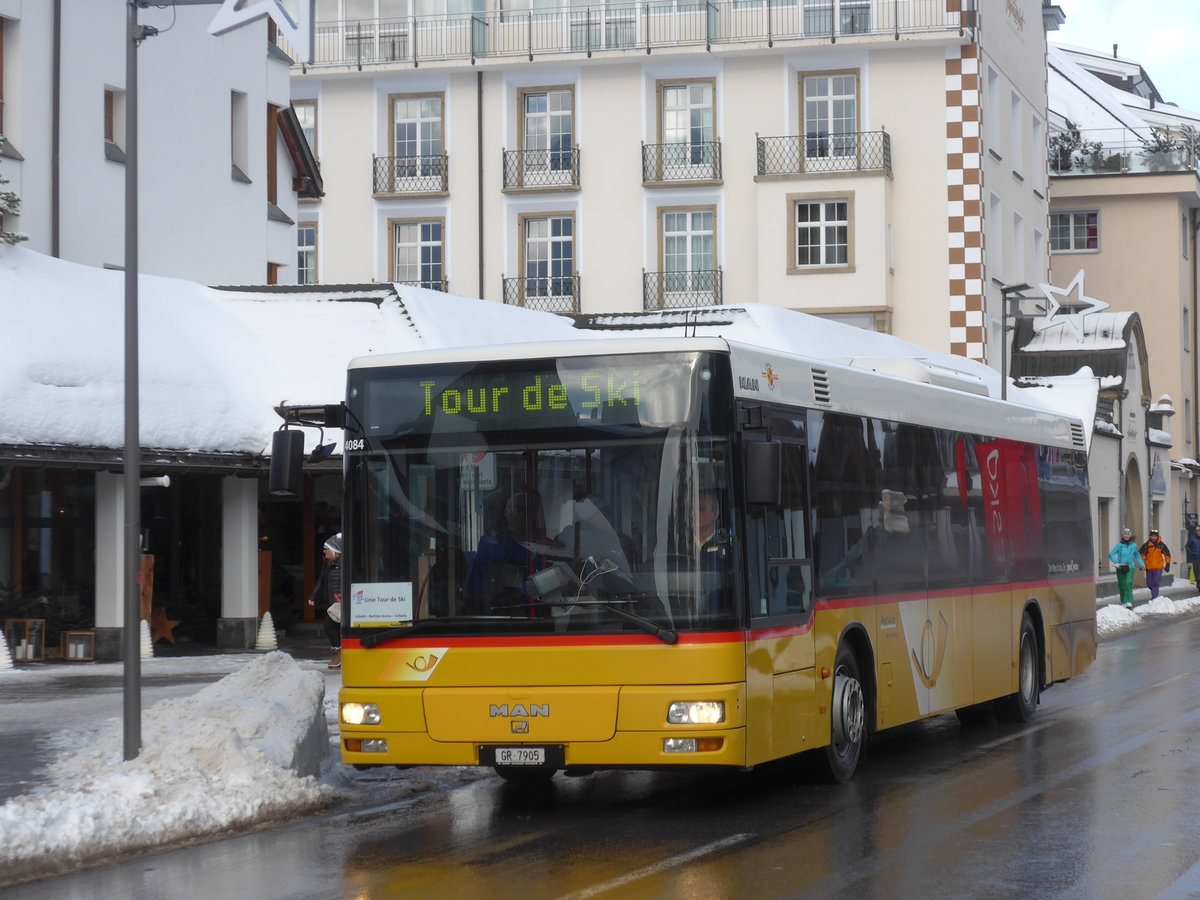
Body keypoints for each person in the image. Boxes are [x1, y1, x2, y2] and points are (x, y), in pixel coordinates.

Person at [308, 532, 343, 668]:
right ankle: (340, 654)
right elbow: (321, 580)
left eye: (326, 549)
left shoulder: (346, 565)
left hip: (342, 604)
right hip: (333, 603)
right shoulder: (328, 564)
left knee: (329, 625)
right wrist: (313, 596)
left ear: (334, 550)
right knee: (335, 627)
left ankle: (338, 653)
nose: (323, 552)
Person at [1108, 527, 1144, 609]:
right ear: (1123, 535)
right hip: (1120, 567)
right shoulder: (1119, 545)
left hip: (1130, 567)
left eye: (1128, 534)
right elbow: (1111, 554)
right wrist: (1117, 562)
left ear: (1130, 535)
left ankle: (1129, 601)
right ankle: (1124, 601)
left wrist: (1142, 564)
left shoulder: (1133, 546)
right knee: (1122, 584)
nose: (1126, 536)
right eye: (1125, 534)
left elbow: (1137, 555)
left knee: (1128, 583)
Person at [1139, 528, 1172, 600]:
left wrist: (1167, 564)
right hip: (1149, 568)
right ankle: (1154, 592)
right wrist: (1141, 564)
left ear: (1157, 536)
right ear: (1150, 536)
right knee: (1149, 583)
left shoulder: (1161, 545)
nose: (1153, 538)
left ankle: (1154, 597)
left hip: (1158, 568)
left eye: (1155, 536)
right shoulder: (1146, 545)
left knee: (1156, 582)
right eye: (1152, 536)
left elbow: (1167, 554)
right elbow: (1140, 555)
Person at [1186, 526, 1200, 592]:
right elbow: (1187, 546)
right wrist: (1192, 553)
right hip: (1195, 558)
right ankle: (1198, 583)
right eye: (1198, 531)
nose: (1199, 532)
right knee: (1196, 572)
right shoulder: (1192, 538)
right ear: (1196, 532)